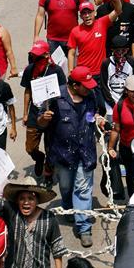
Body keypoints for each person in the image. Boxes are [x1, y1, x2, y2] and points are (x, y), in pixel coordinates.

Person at [37, 66, 106, 248]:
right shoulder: (54, 97)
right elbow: (40, 124)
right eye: (85, 85)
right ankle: (68, 207)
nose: (89, 88)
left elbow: (93, 114)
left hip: (85, 152)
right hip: (62, 154)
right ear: (74, 86)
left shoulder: (91, 95)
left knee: (83, 190)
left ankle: (84, 228)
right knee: (66, 187)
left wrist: (97, 119)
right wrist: (45, 117)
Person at [21, 40, 65, 179]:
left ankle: (48, 173)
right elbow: (27, 90)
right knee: (30, 147)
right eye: (34, 56)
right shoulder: (30, 69)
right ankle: (39, 158)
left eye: (39, 57)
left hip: (52, 114)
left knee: (51, 147)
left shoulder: (56, 70)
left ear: (47, 55)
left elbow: (63, 91)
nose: (36, 59)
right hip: (34, 113)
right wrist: (25, 113)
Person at [67, 0, 122, 78]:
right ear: (81, 16)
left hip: (101, 72)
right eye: (84, 13)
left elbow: (118, 11)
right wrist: (70, 71)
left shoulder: (102, 22)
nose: (87, 15)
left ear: (95, 13)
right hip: (84, 73)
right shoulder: (75, 31)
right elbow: (71, 53)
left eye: (89, 12)